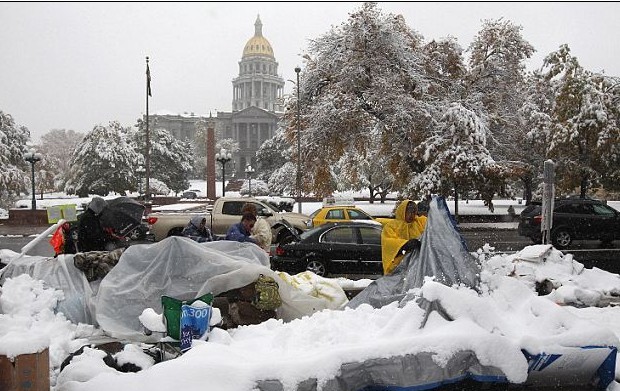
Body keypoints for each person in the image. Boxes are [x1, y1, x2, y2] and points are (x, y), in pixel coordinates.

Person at [381, 199, 428, 275]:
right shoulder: (391, 226)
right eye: (409, 212)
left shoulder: (420, 223)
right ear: (403, 212)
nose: (411, 215)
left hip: (418, 266)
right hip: (399, 267)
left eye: (413, 212)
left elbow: (432, 227)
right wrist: (405, 244)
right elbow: (388, 243)